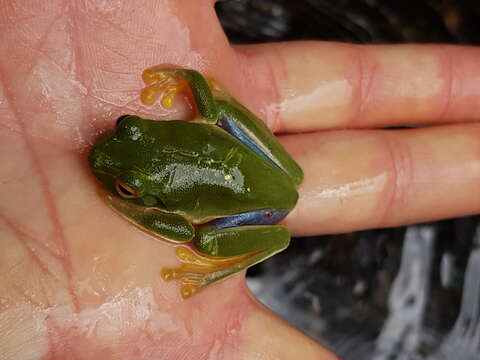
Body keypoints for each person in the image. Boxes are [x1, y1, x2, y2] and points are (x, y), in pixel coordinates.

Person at [0, 0, 479, 359]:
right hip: (260, 164)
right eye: (130, 124)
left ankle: (224, 261)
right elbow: (212, 108)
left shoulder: (166, 199)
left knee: (207, 244)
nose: (114, 136)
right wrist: (189, 81)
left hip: (255, 208)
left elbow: (186, 228)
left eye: (128, 187)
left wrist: (127, 204)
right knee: (222, 118)